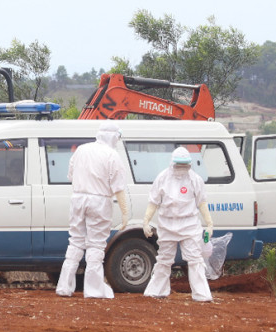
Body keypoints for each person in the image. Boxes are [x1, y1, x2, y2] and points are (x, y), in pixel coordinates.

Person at [56, 120, 130, 298]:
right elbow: (118, 188)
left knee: (75, 241)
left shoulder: (82, 149)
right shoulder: (112, 155)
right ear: (113, 136)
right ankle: (93, 290)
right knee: (96, 245)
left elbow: (71, 175)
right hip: (99, 201)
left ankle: (64, 287)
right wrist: (125, 213)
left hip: (78, 198)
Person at [142, 146, 213, 302]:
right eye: (178, 164)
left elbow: (202, 202)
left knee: (195, 259)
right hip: (167, 224)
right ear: (172, 163)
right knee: (164, 259)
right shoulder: (162, 178)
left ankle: (202, 294)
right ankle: (157, 291)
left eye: (184, 164)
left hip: (189, 224)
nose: (181, 168)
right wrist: (146, 221)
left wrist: (209, 223)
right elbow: (153, 202)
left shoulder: (195, 179)